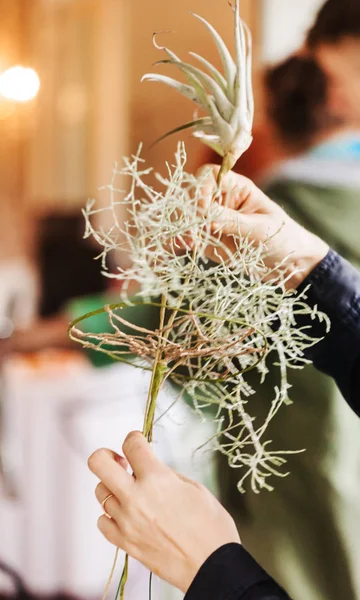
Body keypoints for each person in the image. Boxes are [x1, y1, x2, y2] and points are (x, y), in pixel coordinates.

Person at [88, 168, 360, 600]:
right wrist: (309, 268)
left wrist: (213, 568)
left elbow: (169, 326)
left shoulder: (294, 194)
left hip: (277, 481)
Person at [199, 3, 360, 598]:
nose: (339, 97)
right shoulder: (289, 207)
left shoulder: (295, 196)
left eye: (341, 75)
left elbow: (194, 330)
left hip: (289, 445)